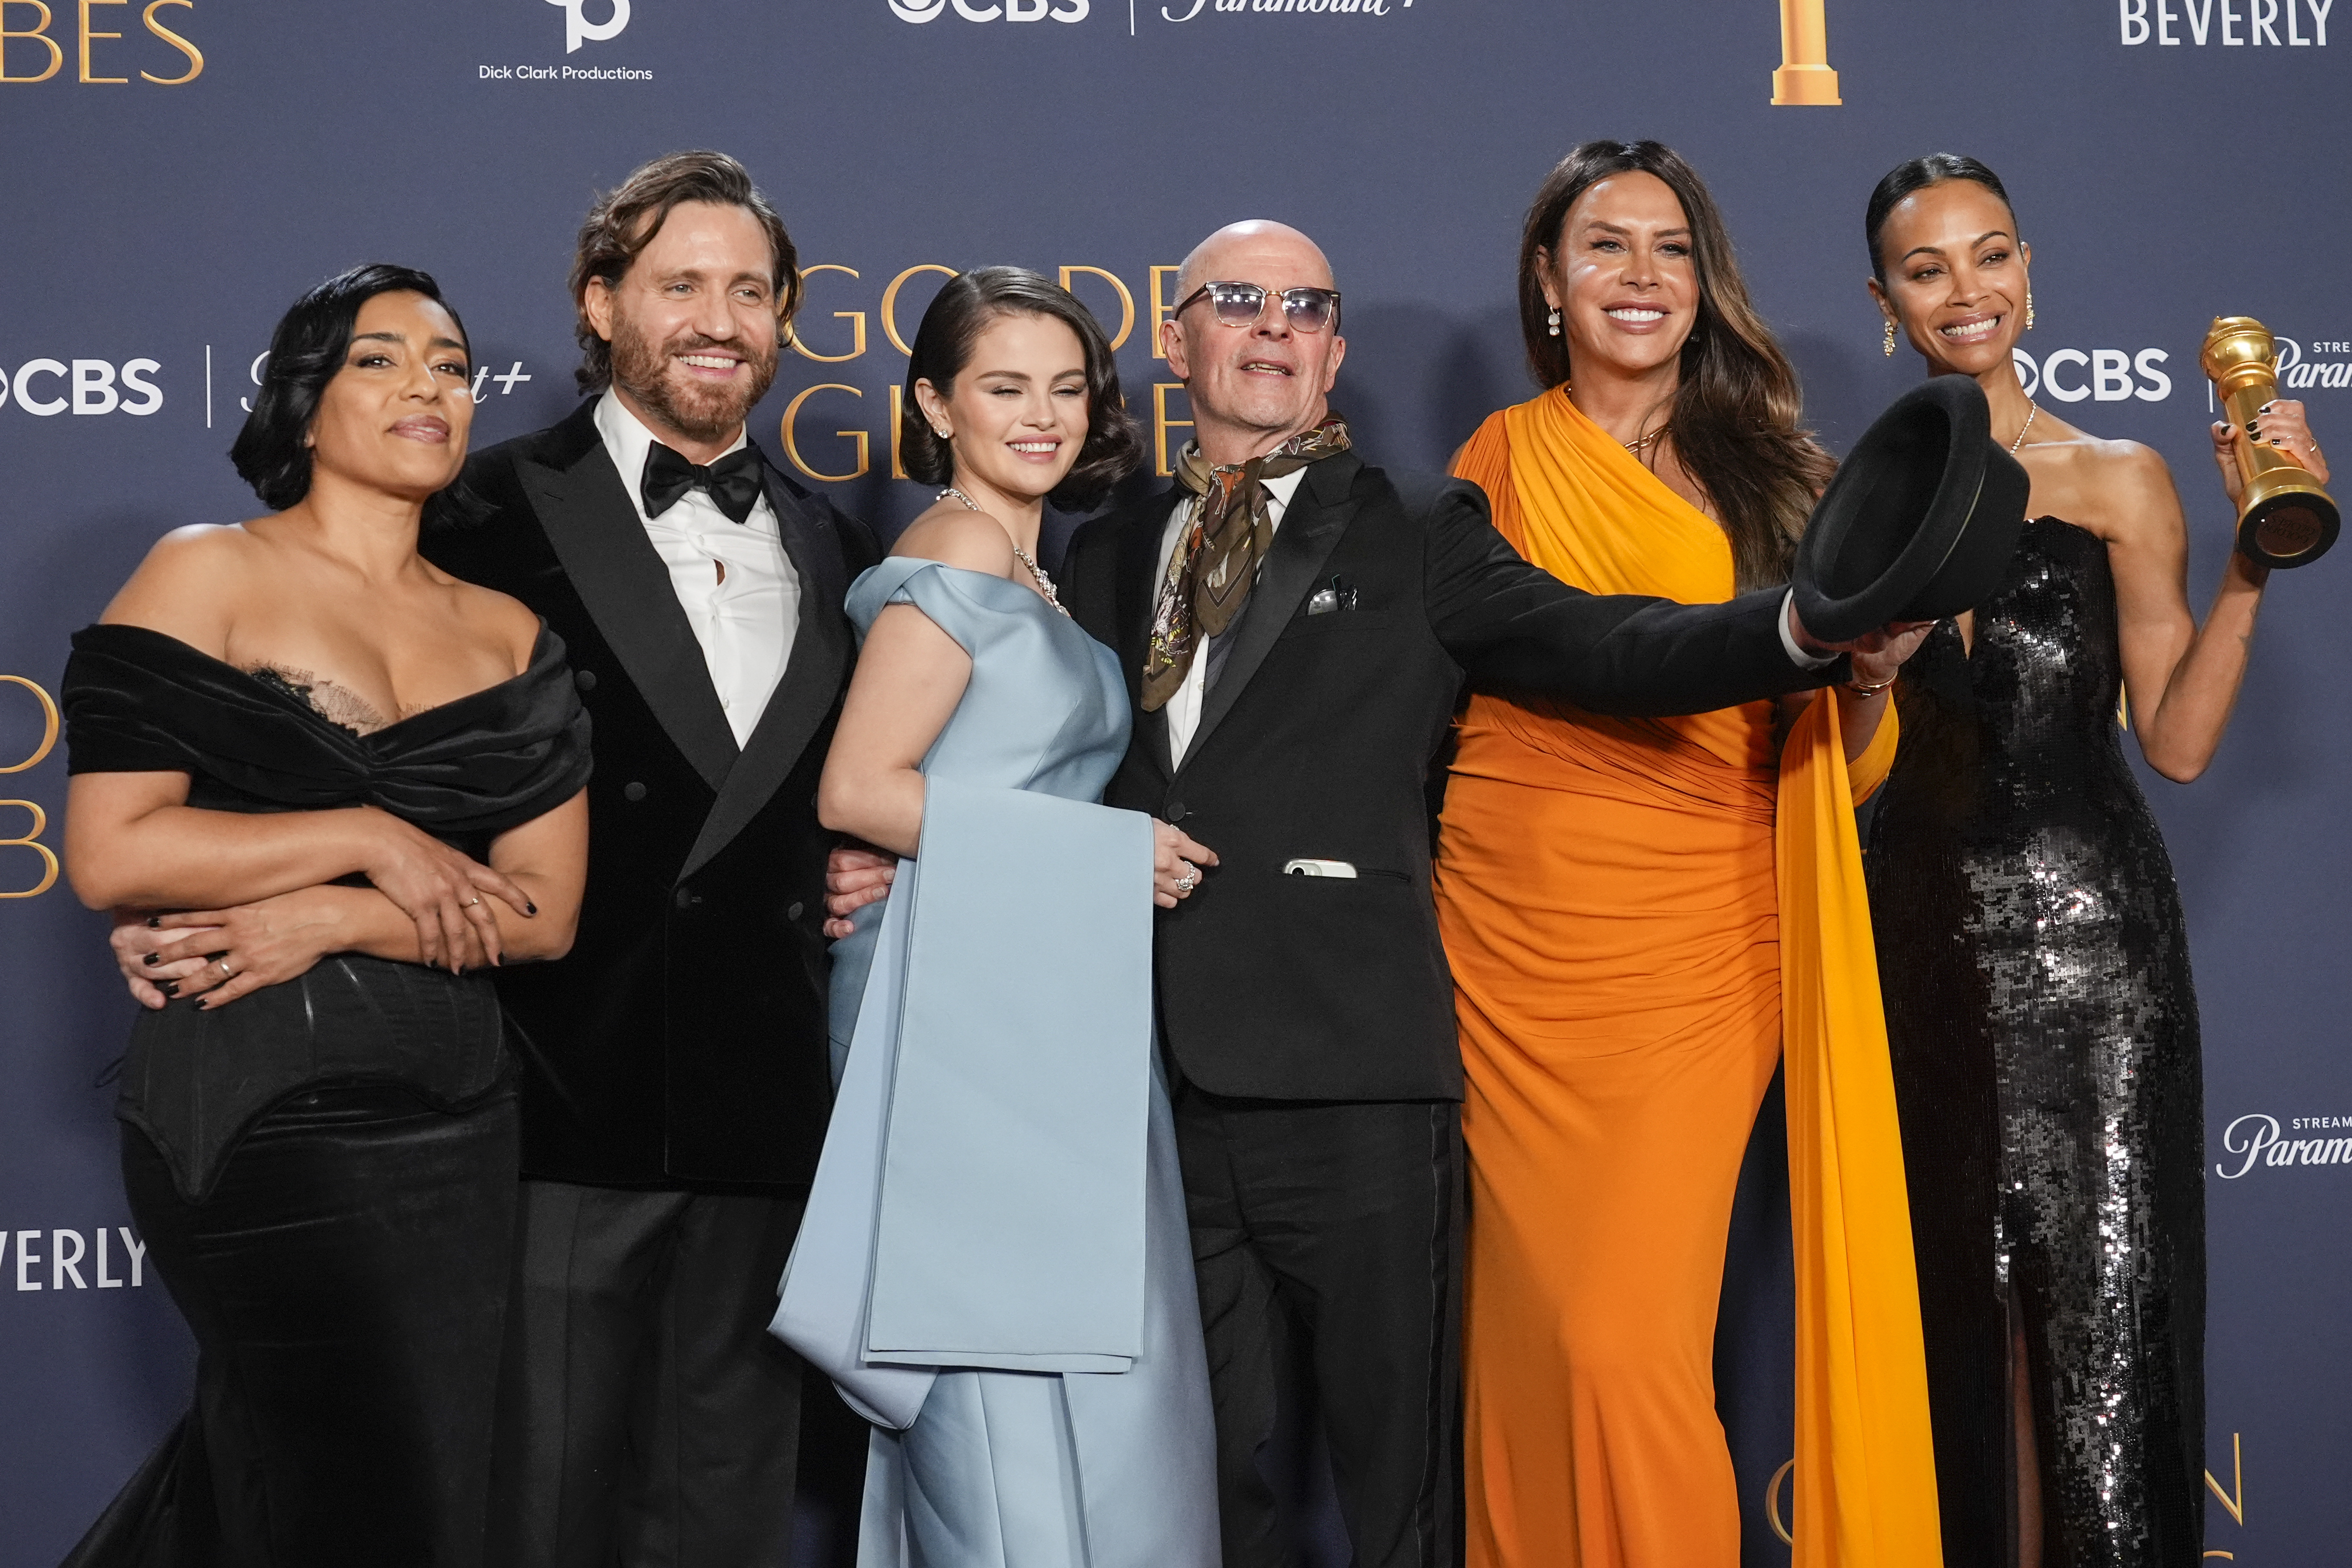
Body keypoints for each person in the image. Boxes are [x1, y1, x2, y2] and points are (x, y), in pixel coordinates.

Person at [838, 219, 1922, 1568]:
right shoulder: (1104, 546)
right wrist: (896, 856)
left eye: (1304, 306)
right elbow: (1004, 752)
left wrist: (1795, 636)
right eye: (1237, 301)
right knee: (1189, 1491)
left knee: (1397, 1486)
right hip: (1140, 1094)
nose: (1272, 326)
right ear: (1177, 344)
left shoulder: (1417, 523)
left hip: (1356, 1078)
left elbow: (1599, 641)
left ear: (1335, 349)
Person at [110, 150, 879, 1567]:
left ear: (785, 322)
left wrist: (880, 867)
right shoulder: (466, 505)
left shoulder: (837, 540)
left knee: (722, 1519)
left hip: (770, 1110)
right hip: (536, 1109)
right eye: (679, 284)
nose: (719, 318)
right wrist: (262, 898)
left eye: (751, 290)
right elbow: (298, 737)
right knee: (525, 1516)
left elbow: (842, 785)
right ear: (600, 305)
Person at [1432, 140, 1938, 1568]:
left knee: (1620, 1340)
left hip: (1703, 940)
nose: (1638, 278)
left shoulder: (1782, 476)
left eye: (1668, 249)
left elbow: (1840, 764)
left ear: (1705, 284)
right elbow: (1478, 674)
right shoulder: (1498, 458)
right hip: (1513, 935)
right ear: (1548, 278)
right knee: (1526, 1335)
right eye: (1604, 246)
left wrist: (1876, 678)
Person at [58, 264, 591, 1567]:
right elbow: (115, 851)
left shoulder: (509, 631)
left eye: (454, 367)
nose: (428, 385)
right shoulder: (208, 572)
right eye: (380, 359)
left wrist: (336, 919)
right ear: (304, 403)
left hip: (459, 1122)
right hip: (254, 1109)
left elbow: (541, 916)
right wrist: (366, 841)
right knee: (354, 1487)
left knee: (385, 1493)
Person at [1859, 153, 2327, 1568]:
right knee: (1949, 1331)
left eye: (1987, 256)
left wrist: (2252, 558)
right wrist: (1868, 674)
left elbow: (2176, 743)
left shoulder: (2117, 477)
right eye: (1926, 269)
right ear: (1885, 302)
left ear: (2027, 272)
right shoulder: (1850, 500)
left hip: (2097, 963)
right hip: (1918, 948)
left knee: (2104, 1336)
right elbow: (1839, 768)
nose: (1965, 291)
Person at [773, 266, 1219, 1566]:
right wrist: (1099, 852)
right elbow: (860, 789)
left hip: (1040, 997)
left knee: (1068, 1364)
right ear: (933, 402)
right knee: (990, 1371)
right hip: (960, 1011)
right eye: (1004, 387)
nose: (1043, 416)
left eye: (1068, 388)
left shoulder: (1042, 566)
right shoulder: (959, 546)